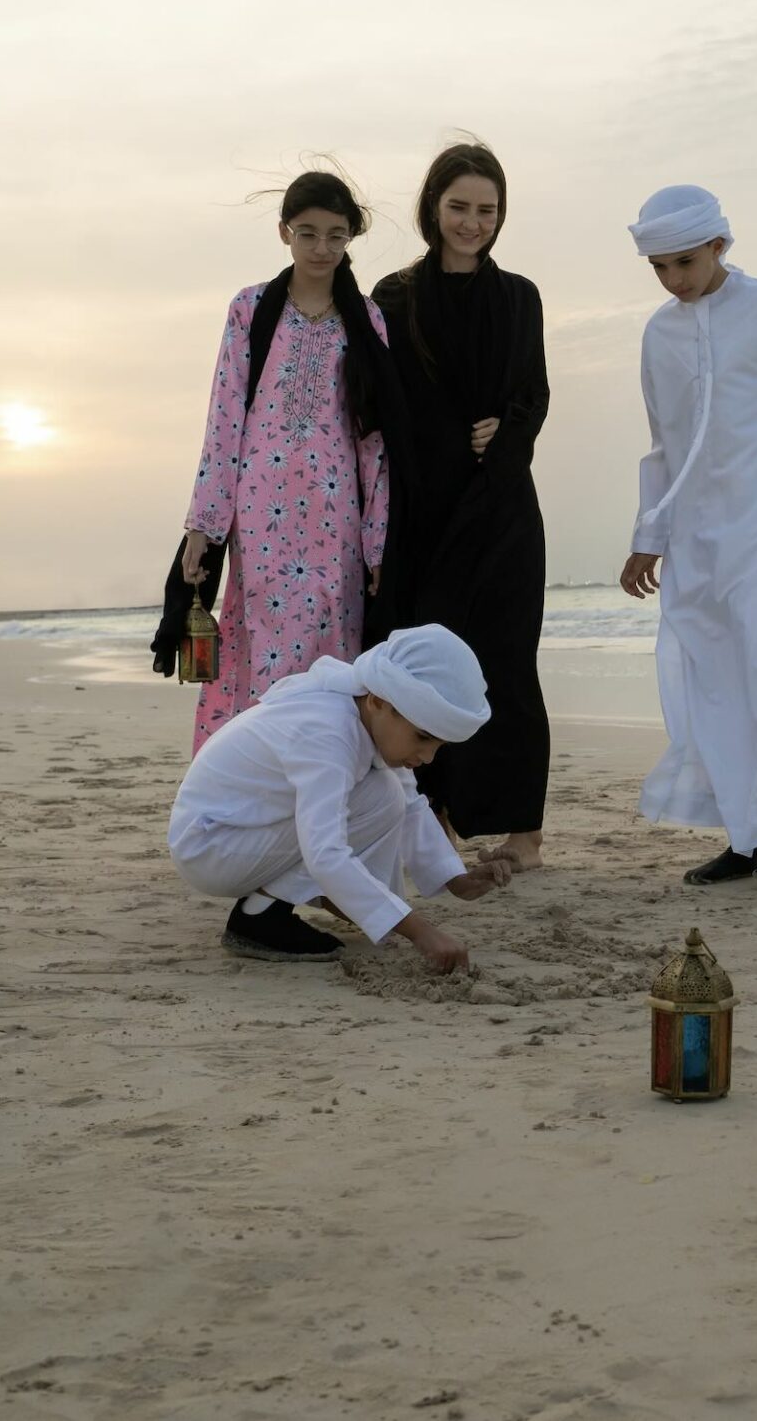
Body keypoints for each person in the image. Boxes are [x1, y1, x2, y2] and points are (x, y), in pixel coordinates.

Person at [617, 185, 757, 885]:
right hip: (695, 537)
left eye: (684, 262)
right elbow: (661, 445)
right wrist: (649, 532)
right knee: (710, 684)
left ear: (719, 245)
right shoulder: (659, 333)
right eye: (659, 268)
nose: (674, 279)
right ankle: (743, 839)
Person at [368, 143, 552, 871]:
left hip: (503, 506)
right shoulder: (394, 296)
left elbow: (533, 396)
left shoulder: (519, 297)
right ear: (432, 209)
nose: (473, 223)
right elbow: (383, 404)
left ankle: (523, 837)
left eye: (487, 210)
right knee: (423, 666)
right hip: (422, 510)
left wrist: (506, 434)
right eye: (459, 208)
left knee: (508, 665)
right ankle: (434, 822)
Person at [175, 170, 392, 752]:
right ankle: (260, 779)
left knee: (332, 656)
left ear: (350, 239)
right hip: (261, 513)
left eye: (336, 236)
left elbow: (374, 439)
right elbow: (224, 420)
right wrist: (204, 528)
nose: (322, 248)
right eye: (309, 233)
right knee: (266, 650)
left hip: (334, 513)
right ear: (284, 233)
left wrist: (377, 541)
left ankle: (321, 775)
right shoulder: (251, 309)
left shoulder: (367, 320)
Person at [167, 625, 513, 968]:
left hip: (241, 834)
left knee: (387, 794)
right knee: (378, 798)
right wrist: (420, 932)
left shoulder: (360, 712)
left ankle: (321, 898)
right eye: (422, 737)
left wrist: (456, 879)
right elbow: (324, 851)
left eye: (439, 745)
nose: (427, 757)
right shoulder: (327, 731)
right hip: (210, 846)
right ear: (378, 701)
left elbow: (410, 805)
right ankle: (259, 915)